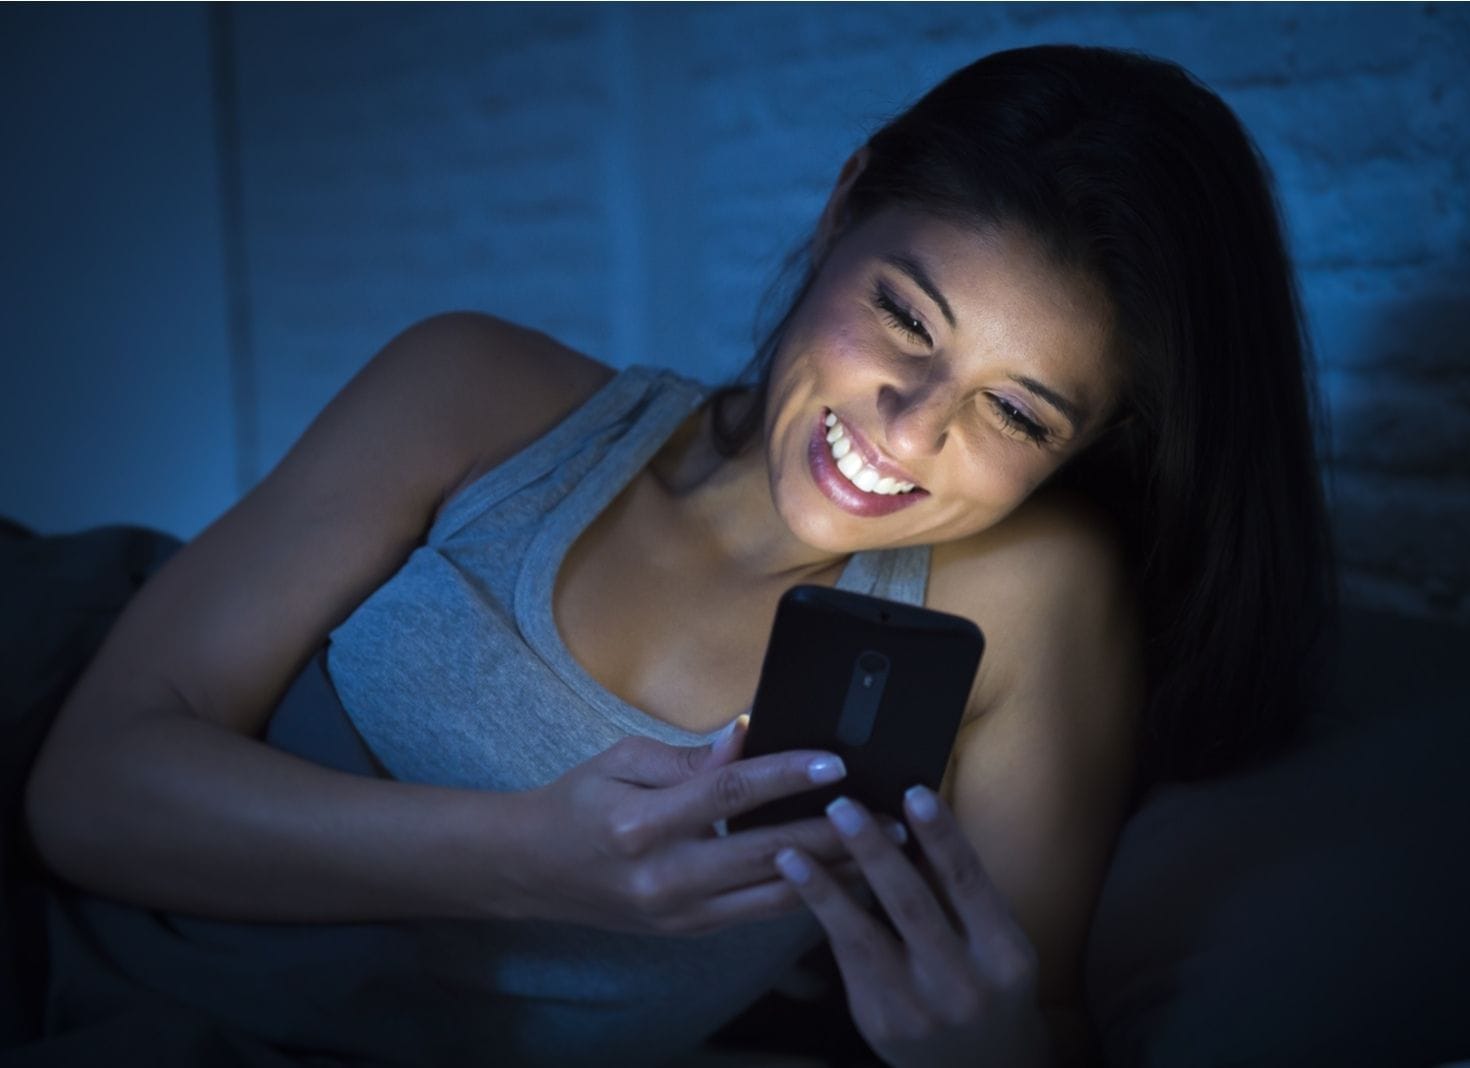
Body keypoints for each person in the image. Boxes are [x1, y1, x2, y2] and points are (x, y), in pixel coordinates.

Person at [21, 43, 1332, 1067]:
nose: (911, 428)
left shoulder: (1020, 603)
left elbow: (1023, 1020)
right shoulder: (476, 387)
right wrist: (523, 857)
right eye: (903, 318)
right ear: (842, 208)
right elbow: (87, 791)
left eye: (1016, 410)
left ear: (1085, 445)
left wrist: (972, 1052)